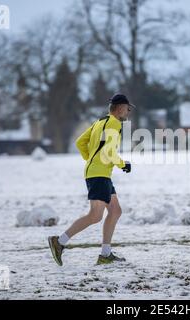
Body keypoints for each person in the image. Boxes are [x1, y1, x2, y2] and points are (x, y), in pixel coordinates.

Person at [48, 94, 134, 265]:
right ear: (119, 108)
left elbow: (80, 142)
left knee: (115, 211)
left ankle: (105, 254)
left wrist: (91, 159)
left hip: (99, 173)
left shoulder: (100, 121)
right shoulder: (114, 123)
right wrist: (123, 164)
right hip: (99, 174)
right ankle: (59, 241)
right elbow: (109, 152)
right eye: (127, 108)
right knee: (95, 216)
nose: (128, 111)